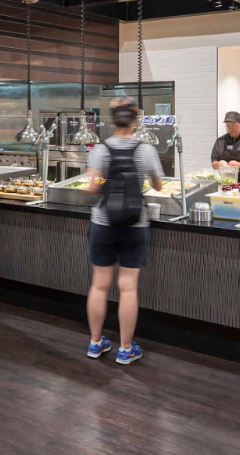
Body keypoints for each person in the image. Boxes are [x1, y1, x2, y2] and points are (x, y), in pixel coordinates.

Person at [82, 98, 163, 365]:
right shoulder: (146, 149)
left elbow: (93, 186)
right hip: (135, 223)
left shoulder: (101, 149)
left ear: (112, 120)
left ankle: (95, 343)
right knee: (128, 287)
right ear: (136, 121)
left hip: (103, 222)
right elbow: (158, 185)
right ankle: (125, 349)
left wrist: (108, 179)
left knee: (99, 284)